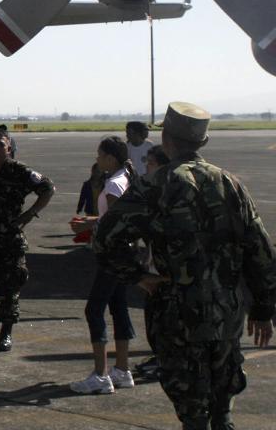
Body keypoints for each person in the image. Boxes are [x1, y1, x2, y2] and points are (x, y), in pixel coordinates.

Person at [95, 102, 276, 429]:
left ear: (165, 138)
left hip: (178, 317)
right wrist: (263, 309)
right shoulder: (230, 183)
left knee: (193, 415)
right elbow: (260, 250)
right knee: (223, 410)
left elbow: (105, 237)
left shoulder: (155, 185)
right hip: (226, 315)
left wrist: (139, 276)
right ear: (203, 143)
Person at [68, 136, 137, 394]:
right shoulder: (123, 179)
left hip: (112, 255)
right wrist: (92, 221)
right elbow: (113, 218)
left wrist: (90, 224)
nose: (96, 159)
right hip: (120, 254)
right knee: (118, 308)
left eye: (99, 154)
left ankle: (100, 374)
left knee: (94, 310)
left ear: (110, 157)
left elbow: (117, 223)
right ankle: (122, 369)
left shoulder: (114, 185)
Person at [0, 128, 54, 353]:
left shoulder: (19, 171)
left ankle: (5, 333)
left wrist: (29, 214)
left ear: (9, 148)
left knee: (10, 288)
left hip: (10, 239)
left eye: (0, 145)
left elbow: (48, 188)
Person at [133, 144, 171, 383]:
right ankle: (160, 358)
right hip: (154, 267)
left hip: (165, 273)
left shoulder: (164, 194)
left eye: (151, 163)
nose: (146, 166)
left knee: (165, 322)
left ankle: (165, 363)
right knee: (154, 321)